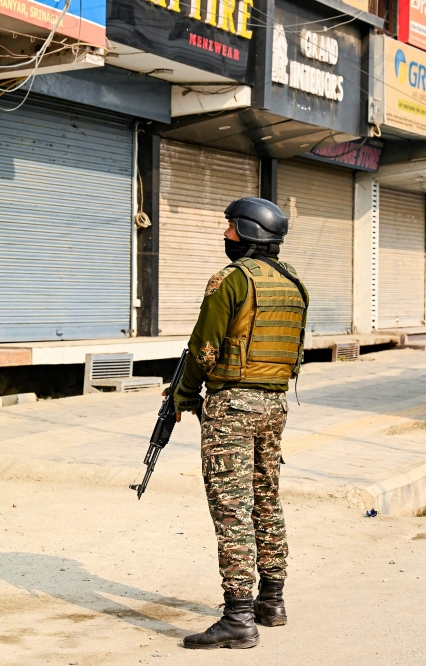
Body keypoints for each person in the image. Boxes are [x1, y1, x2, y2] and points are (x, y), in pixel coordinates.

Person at [172, 197, 309, 650]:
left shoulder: (230, 280)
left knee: (232, 508)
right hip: (274, 405)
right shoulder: (294, 283)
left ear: (248, 233)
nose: (225, 236)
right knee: (266, 498)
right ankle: (272, 601)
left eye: (230, 228)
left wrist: (185, 395)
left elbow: (204, 349)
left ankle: (238, 618)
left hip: (232, 406)